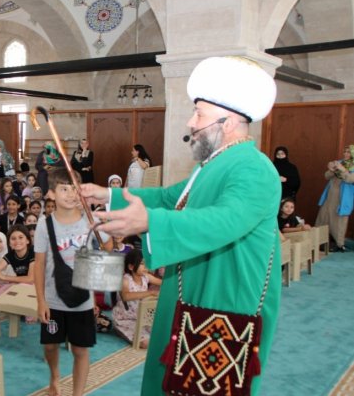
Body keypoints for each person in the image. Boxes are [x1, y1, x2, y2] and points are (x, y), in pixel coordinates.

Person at [81, 56, 281, 395]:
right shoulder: (211, 165)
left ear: (227, 122)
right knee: (172, 379)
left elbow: (225, 220)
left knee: (205, 386)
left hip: (225, 297)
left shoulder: (255, 168)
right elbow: (169, 197)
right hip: (192, 291)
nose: (191, 122)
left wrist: (150, 221)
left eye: (199, 114)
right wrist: (110, 195)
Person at [34, 168, 102, 396]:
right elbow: (40, 265)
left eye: (75, 188)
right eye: (64, 189)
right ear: (51, 194)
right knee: (50, 345)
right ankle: (54, 376)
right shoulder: (45, 225)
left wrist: (93, 296)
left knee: (80, 349)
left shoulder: (89, 222)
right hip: (53, 299)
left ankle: (77, 393)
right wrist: (41, 301)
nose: (71, 194)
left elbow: (107, 252)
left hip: (82, 299)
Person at [111, 249, 161, 349]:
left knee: (161, 335)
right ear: (131, 267)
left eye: (146, 263)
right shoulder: (125, 280)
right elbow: (126, 296)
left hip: (142, 318)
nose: (145, 266)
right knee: (146, 343)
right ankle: (118, 329)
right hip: (125, 319)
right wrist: (150, 292)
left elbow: (163, 282)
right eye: (142, 263)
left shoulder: (146, 277)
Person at [315, 145, 354, 251]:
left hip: (343, 197)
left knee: (339, 220)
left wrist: (343, 170)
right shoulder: (338, 162)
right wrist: (332, 169)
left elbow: (350, 179)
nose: (345, 154)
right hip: (330, 195)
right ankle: (318, 241)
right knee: (323, 217)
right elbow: (326, 176)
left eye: (348, 152)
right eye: (344, 151)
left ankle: (339, 244)